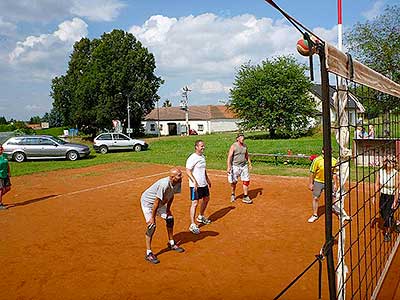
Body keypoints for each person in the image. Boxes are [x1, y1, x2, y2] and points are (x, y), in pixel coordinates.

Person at [140, 168, 185, 264]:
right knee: (152, 226)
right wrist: (152, 218)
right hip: (148, 203)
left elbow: (171, 195)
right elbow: (156, 202)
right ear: (172, 177)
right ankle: (149, 253)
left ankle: (171, 243)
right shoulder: (164, 184)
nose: (182, 176)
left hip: (160, 203)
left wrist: (168, 209)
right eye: (179, 175)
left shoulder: (178, 182)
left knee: (170, 218)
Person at [308, 149, 351, 223]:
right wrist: (311, 183)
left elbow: (334, 173)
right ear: (322, 151)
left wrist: (335, 184)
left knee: (334, 197)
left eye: (330, 151)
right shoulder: (317, 160)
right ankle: (315, 215)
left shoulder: (333, 160)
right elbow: (312, 172)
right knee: (315, 198)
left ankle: (339, 212)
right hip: (318, 182)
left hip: (330, 182)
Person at [186, 140, 212, 235]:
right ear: (196, 147)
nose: (203, 147)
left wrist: (207, 179)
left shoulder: (202, 157)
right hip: (195, 185)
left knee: (206, 199)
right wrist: (194, 181)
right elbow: (188, 171)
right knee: (195, 203)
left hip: (203, 183)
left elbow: (203, 170)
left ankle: (200, 216)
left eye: (203, 146)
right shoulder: (192, 158)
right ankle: (192, 224)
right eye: (201, 146)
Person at [374, 158, 398, 242]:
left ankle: (387, 233)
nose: (389, 162)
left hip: (392, 195)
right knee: (382, 213)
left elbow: (397, 188)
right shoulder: (380, 172)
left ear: (394, 164)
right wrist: (374, 196)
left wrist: (395, 200)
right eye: (387, 161)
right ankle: (396, 223)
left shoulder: (395, 173)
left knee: (388, 215)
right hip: (383, 195)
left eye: (391, 161)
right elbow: (377, 184)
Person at [227, 133, 252, 204]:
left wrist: (249, 163)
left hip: (244, 165)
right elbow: (229, 157)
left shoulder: (245, 146)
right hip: (235, 166)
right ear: (237, 138)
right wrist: (229, 167)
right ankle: (232, 194)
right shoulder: (233, 146)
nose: (242, 138)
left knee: (246, 180)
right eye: (240, 137)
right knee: (234, 182)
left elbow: (247, 155)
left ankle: (245, 196)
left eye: (243, 137)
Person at [0, 144, 11, 210]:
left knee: (8, 188)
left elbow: (7, 164)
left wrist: (9, 171)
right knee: (0, 189)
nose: (1, 149)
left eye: (1, 148)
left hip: (5, 174)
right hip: (0, 175)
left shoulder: (4, 155)